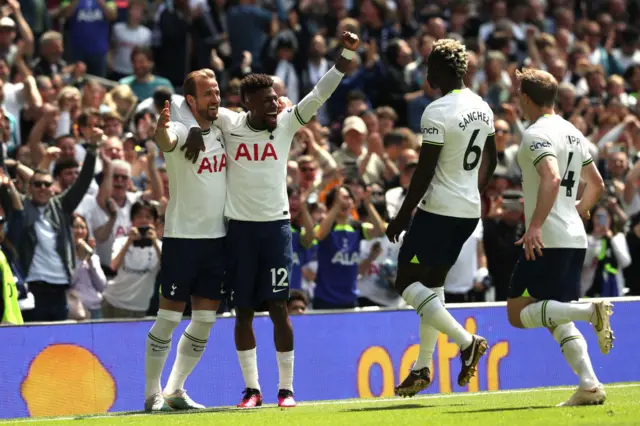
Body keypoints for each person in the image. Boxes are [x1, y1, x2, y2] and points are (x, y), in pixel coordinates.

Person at [176, 31, 361, 408]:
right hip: (239, 231)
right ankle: (251, 389)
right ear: (247, 104)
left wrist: (344, 55)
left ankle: (287, 389)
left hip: (276, 230)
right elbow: (185, 103)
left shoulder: (288, 124)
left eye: (276, 99)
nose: (275, 105)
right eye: (266, 102)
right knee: (243, 311)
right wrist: (195, 129)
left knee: (279, 309)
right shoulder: (229, 123)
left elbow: (320, 94)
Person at [385, 39, 498, 397]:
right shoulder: (483, 107)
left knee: (405, 281)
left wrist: (403, 215)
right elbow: (491, 161)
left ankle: (467, 342)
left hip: (439, 211)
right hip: (467, 211)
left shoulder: (436, 111)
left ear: (441, 70)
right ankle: (422, 366)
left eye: (429, 68)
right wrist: (473, 190)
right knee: (432, 286)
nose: (426, 74)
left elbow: (424, 171)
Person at [506, 68, 613, 407]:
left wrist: (535, 225)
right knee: (554, 316)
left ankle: (589, 313)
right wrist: (577, 208)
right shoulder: (572, 132)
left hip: (548, 237)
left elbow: (550, 178)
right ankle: (590, 384)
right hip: (573, 237)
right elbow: (597, 184)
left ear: (525, 98)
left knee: (516, 313)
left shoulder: (535, 133)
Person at [142, 68, 227, 412]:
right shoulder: (179, 127)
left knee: (205, 320)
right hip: (182, 239)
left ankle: (176, 389)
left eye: (217, 91)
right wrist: (164, 130)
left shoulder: (223, 126)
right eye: (207, 94)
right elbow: (167, 140)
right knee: (168, 319)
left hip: (218, 240)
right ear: (191, 100)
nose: (215, 98)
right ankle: (152, 394)